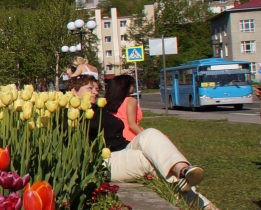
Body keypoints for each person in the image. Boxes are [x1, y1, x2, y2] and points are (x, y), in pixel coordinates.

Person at [74, 74, 207, 197]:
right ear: (74, 91)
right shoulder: (72, 115)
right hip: (106, 160)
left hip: (125, 148)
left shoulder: (100, 109)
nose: (95, 91)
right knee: (150, 160)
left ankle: (183, 169)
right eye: (90, 88)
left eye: (97, 88)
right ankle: (206, 209)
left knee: (151, 132)